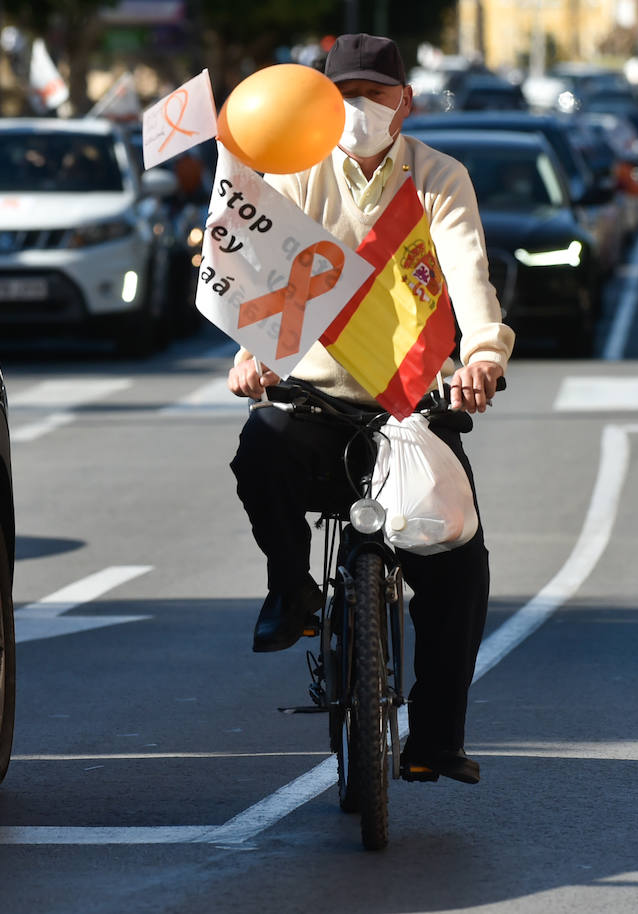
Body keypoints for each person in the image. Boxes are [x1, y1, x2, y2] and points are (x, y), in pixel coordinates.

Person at [226, 34, 514, 786]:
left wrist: (483, 355)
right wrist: (252, 352)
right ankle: (292, 590)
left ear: (404, 103)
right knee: (259, 449)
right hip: (314, 398)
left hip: (416, 407)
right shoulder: (291, 177)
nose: (357, 112)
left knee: (459, 566)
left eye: (373, 97)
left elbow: (467, 270)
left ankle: (434, 739)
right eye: (342, 97)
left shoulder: (440, 179)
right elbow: (259, 277)